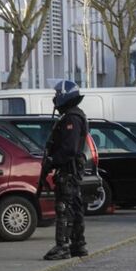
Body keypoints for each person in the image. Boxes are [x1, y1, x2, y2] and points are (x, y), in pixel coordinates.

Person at [40, 80, 89, 261]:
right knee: (74, 207)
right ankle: (78, 244)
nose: (55, 98)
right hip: (71, 170)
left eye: (57, 94)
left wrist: (53, 161)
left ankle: (63, 246)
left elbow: (69, 149)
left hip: (68, 170)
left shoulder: (71, 118)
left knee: (64, 208)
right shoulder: (73, 115)